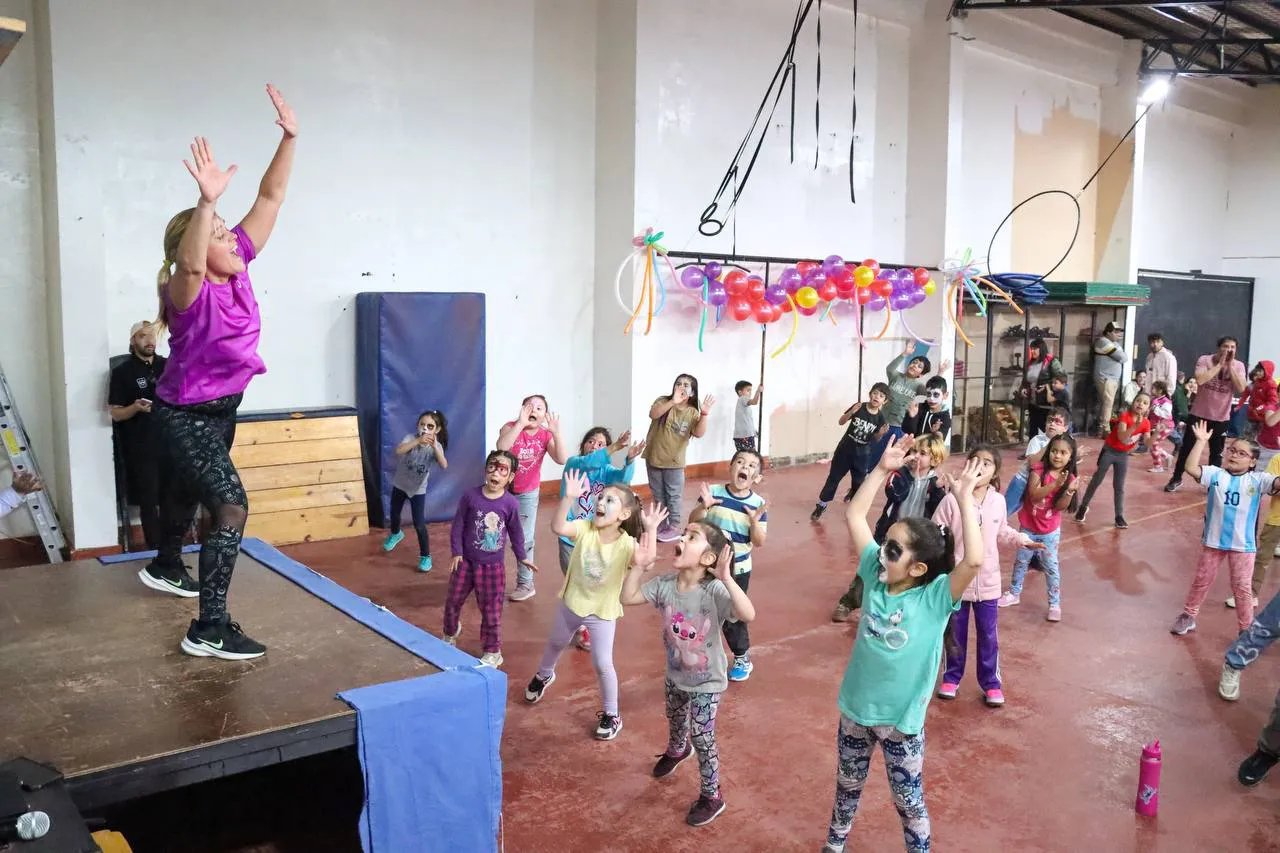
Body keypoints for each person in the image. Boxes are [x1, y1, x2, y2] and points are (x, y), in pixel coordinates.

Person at [139, 86, 296, 661]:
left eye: (230, 229)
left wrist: (289, 137)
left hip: (220, 412)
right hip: (182, 416)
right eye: (220, 233)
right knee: (230, 505)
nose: (234, 237)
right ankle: (209, 626)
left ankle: (164, 564)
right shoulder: (188, 291)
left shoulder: (240, 266)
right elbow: (187, 260)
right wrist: (204, 205)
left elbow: (272, 198)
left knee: (188, 490)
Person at [820, 438, 983, 853]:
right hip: (856, 711)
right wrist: (880, 470)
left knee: (908, 803)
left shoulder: (935, 599)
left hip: (901, 725)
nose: (881, 556)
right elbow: (855, 514)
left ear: (919, 567)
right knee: (846, 787)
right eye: (884, 545)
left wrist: (963, 498)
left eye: (892, 550)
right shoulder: (875, 577)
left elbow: (974, 562)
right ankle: (835, 844)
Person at [619, 518, 755, 828]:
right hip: (675, 673)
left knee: (702, 736)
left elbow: (748, 614)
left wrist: (727, 579)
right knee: (675, 715)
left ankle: (712, 795)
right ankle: (678, 750)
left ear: (708, 559)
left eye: (692, 536)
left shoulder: (715, 590)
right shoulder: (665, 585)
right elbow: (627, 598)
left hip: (708, 681)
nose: (681, 538)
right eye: (684, 533)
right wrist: (638, 567)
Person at [524, 473, 656, 741]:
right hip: (572, 603)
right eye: (601, 497)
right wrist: (568, 499)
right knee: (555, 643)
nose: (602, 502)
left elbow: (647, 560)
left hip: (602, 613)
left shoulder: (626, 544)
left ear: (623, 515)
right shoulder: (584, 528)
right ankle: (544, 675)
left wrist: (651, 531)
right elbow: (558, 527)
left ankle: (612, 714)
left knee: (603, 663)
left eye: (611, 500)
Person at [934, 446, 1039, 707]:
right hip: (958, 581)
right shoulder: (951, 500)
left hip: (989, 583)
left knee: (988, 635)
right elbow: (936, 532)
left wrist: (1021, 539)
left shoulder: (998, 502)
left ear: (995, 473)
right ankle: (951, 677)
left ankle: (991, 683)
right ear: (966, 465)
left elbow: (1001, 531)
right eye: (975, 460)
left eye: (987, 463)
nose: (980, 466)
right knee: (955, 634)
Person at [1170, 423, 1279, 638]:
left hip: (1243, 546)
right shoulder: (1215, 474)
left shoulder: (1258, 480)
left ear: (1253, 461)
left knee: (1242, 588)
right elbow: (1191, 468)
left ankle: (1246, 629)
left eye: (1242, 453)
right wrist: (1201, 441)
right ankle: (1188, 616)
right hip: (1213, 542)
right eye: (1232, 450)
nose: (1234, 456)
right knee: (1201, 580)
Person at [830, 433, 950, 623]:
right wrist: (910, 476)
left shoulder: (936, 483)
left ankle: (897, 611)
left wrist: (937, 489)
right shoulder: (900, 473)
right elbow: (895, 493)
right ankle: (849, 602)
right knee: (872, 566)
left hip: (915, 540)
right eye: (915, 451)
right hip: (890, 532)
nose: (916, 456)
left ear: (935, 459)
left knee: (908, 575)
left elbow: (938, 509)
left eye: (923, 453)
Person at [444, 450, 538, 668]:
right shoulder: (470, 497)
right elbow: (458, 526)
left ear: (511, 477)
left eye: (503, 469)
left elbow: (516, 533)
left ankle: (493, 650)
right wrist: (456, 551)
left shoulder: (511, 504)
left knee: (491, 611)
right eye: (492, 467)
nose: (496, 473)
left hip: (492, 568)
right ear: (486, 470)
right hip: (465, 563)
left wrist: (522, 557)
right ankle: (449, 632)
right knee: (452, 601)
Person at [556, 426, 644, 649]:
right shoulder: (575, 464)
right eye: (591, 441)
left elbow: (622, 481)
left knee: (591, 579)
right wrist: (613, 447)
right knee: (574, 578)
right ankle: (577, 618)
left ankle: (586, 626)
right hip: (571, 535)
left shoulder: (605, 470)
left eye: (600, 444)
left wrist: (629, 461)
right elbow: (589, 463)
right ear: (583, 444)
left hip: (593, 537)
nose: (594, 446)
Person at [691, 449, 768, 682]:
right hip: (707, 566)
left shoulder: (757, 504)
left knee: (733, 615)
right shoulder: (713, 493)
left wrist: (755, 523)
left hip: (738, 570)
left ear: (757, 477)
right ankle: (699, 654)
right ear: (731, 467)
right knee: (700, 610)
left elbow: (759, 541)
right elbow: (693, 522)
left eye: (752, 465)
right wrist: (705, 506)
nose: (745, 467)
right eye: (740, 462)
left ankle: (742, 656)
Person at [999, 433, 1080, 622]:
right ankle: (1014, 592)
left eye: (1063, 453)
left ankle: (1054, 603)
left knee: (1051, 567)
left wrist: (1068, 490)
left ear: (1070, 457)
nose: (1057, 456)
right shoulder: (1038, 470)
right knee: (1021, 561)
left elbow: (1060, 507)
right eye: (1054, 451)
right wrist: (1055, 484)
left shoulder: (1069, 478)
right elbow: (1034, 496)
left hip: (1049, 532)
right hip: (1028, 527)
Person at [496, 394, 568, 602]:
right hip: (502, 491)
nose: (534, 410)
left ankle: (526, 583)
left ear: (545, 415)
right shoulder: (510, 427)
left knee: (524, 539)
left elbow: (561, 459)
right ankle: (493, 579)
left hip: (528, 493)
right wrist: (520, 423)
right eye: (530, 406)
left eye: (539, 408)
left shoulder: (545, 435)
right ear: (522, 410)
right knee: (496, 536)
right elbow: (502, 447)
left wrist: (557, 433)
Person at [108, 321, 167, 549]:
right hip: (141, 447)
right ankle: (155, 548)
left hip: (171, 444)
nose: (149, 341)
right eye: (142, 336)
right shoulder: (123, 372)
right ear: (133, 341)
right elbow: (116, 414)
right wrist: (134, 408)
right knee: (149, 500)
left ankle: (174, 545)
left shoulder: (169, 366)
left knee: (175, 496)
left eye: (152, 336)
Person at [1165, 336, 1247, 492]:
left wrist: (1229, 367)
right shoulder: (1205, 360)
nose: (1229, 350)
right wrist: (1220, 365)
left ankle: (1212, 484)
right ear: (1219, 347)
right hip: (1199, 415)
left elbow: (1241, 388)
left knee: (1216, 453)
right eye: (1225, 346)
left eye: (1232, 347)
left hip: (1221, 417)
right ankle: (1176, 478)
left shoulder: (1239, 366)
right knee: (1186, 449)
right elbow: (1201, 380)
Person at [644, 374, 715, 543]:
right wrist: (672, 402)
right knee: (658, 494)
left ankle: (674, 526)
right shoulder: (663, 401)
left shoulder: (692, 412)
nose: (681, 387)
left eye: (686, 385)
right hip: (654, 456)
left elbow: (698, 433)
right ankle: (661, 523)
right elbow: (653, 414)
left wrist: (704, 413)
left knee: (673, 495)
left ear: (692, 393)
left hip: (675, 462)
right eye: (678, 383)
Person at [811, 383, 890, 523]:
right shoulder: (859, 407)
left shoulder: (880, 419)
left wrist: (881, 433)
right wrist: (851, 412)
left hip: (862, 454)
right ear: (870, 394)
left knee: (858, 484)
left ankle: (854, 510)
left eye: (881, 396)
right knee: (833, 478)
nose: (877, 397)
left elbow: (875, 439)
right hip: (845, 450)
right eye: (875, 393)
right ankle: (821, 505)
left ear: (885, 401)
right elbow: (841, 422)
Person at [383, 410, 449, 572]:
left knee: (419, 524)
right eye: (422, 425)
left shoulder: (436, 446)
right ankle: (396, 533)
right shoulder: (411, 438)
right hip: (400, 484)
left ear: (437, 430)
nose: (425, 429)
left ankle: (426, 556)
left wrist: (435, 447)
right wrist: (418, 441)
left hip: (418, 489)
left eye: (430, 426)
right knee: (394, 513)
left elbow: (444, 465)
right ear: (417, 426)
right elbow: (399, 451)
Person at [1075, 392, 1151, 530]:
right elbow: (1122, 437)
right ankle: (1083, 506)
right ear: (1133, 402)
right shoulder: (1125, 416)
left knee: (1119, 486)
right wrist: (1134, 427)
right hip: (1110, 451)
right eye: (1138, 400)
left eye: (1145, 403)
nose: (1141, 404)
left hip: (1123, 455)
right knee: (1097, 480)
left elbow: (1148, 442)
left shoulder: (1146, 423)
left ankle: (1119, 515)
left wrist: (1158, 434)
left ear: (1148, 409)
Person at [875, 344, 949, 463]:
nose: (915, 365)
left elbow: (932, 390)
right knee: (875, 454)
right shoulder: (895, 376)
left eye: (919, 366)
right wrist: (905, 353)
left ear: (920, 374)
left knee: (893, 459)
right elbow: (889, 368)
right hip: (883, 422)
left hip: (899, 427)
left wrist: (940, 372)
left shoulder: (918, 386)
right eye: (914, 362)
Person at [1005, 406, 1071, 518]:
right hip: (1023, 482)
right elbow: (1032, 463)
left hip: (1040, 485)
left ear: (1065, 427)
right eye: (1050, 420)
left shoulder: (1064, 444)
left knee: (1028, 511)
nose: (1052, 424)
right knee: (1006, 510)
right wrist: (1049, 445)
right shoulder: (1037, 440)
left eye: (1057, 422)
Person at [1020, 337, 1068, 438]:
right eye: (1031, 348)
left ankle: (1046, 450)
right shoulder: (1030, 363)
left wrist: (1048, 386)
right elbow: (1025, 380)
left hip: (1046, 402)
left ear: (1041, 349)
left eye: (1035, 349)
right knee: (1032, 427)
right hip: (1033, 401)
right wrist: (1023, 388)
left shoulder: (1051, 361)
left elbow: (1062, 378)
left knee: (1045, 427)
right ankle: (1032, 451)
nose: (1032, 351)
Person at [1091, 322, 1127, 436]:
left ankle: (1102, 428)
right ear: (1108, 332)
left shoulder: (1114, 343)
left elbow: (1124, 357)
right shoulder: (1103, 341)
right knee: (1108, 403)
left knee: (1107, 403)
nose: (1119, 334)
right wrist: (1120, 353)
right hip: (1105, 378)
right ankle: (1104, 429)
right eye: (1116, 332)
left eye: (1120, 332)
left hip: (1112, 379)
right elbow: (1122, 357)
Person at [1245, 361, 1278, 440]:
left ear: (1267, 371)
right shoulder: (1257, 382)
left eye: (1260, 371)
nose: (1257, 373)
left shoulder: (1271, 384)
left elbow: (1272, 402)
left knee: (1257, 440)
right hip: (1251, 415)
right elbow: (1253, 396)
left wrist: (1259, 409)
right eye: (1257, 370)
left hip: (1261, 418)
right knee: (1247, 438)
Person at [1148, 382, 1175, 473]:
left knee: (1153, 444)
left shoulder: (1165, 401)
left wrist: (1155, 409)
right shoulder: (1155, 399)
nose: (1151, 390)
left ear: (1160, 390)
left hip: (1165, 426)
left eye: (1153, 388)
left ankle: (1158, 466)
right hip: (1158, 426)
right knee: (1153, 444)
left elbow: (1167, 414)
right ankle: (1167, 457)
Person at [732, 380, 763, 453]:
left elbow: (746, 420)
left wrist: (754, 431)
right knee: (750, 456)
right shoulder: (743, 398)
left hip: (740, 436)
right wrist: (758, 391)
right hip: (746, 436)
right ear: (740, 392)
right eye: (748, 390)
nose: (750, 393)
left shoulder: (741, 402)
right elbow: (754, 402)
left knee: (743, 456)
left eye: (751, 391)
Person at [1144, 332, 1178, 397]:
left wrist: (1167, 395)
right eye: (1152, 342)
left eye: (1158, 342)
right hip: (1149, 395)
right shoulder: (1149, 357)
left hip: (1161, 395)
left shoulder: (1168, 357)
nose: (1155, 344)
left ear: (1162, 343)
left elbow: (1171, 378)